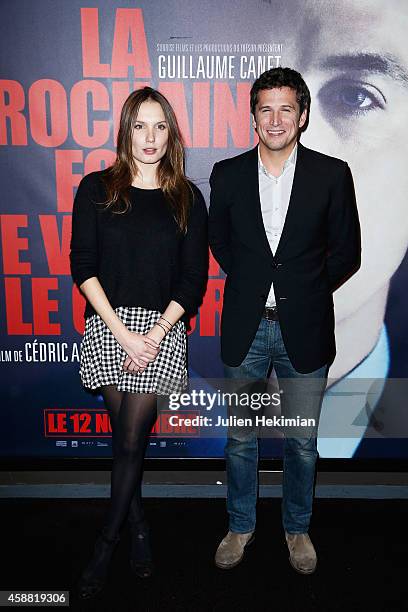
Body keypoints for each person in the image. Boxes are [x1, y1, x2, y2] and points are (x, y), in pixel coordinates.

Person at [208, 67, 360, 574]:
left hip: (305, 327)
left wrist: (305, 290)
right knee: (241, 439)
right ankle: (240, 525)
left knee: (300, 441)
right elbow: (222, 244)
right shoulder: (227, 174)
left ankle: (297, 530)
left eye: (285, 109)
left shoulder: (332, 174)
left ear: (303, 115)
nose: (275, 120)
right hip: (246, 327)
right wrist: (256, 283)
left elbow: (347, 253)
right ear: (253, 115)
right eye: (265, 109)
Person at [70, 86, 208, 598]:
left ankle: (108, 544)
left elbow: (192, 280)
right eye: (139, 125)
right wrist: (123, 334)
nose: (150, 137)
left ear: (171, 133)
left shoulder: (186, 197)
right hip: (108, 326)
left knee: (130, 440)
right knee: (123, 442)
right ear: (126, 129)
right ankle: (140, 527)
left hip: (162, 331)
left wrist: (151, 334)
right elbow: (82, 266)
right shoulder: (97, 189)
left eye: (160, 126)